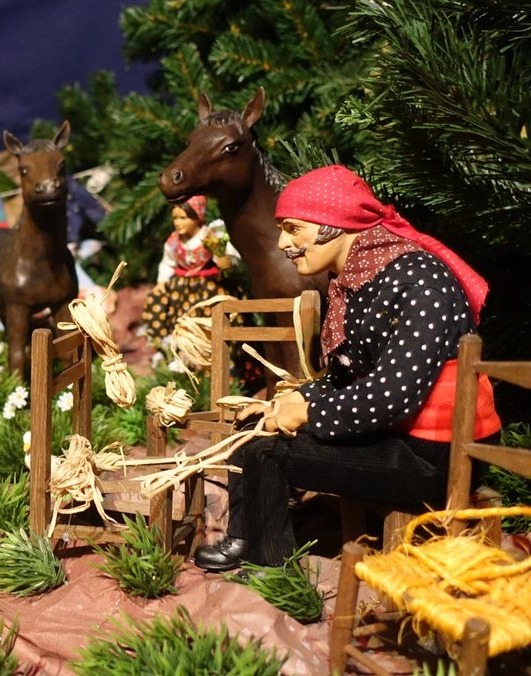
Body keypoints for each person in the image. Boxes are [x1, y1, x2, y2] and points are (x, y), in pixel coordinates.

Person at [193, 165, 500, 572]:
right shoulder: (358, 280)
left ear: (332, 225)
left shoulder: (419, 277)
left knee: (266, 452)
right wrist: (295, 398)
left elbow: (393, 394)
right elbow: (346, 373)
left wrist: (308, 413)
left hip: (434, 453)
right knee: (252, 430)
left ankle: (268, 567)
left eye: (293, 228)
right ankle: (246, 536)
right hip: (395, 434)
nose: (284, 242)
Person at [141, 196, 240, 350]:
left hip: (208, 284)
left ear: (197, 217)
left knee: (212, 311)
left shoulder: (210, 235)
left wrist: (226, 261)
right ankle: (170, 346)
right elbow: (167, 262)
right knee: (164, 304)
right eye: (174, 218)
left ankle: (215, 347)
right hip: (182, 287)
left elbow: (226, 254)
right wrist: (161, 282)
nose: (177, 222)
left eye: (183, 218)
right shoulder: (174, 240)